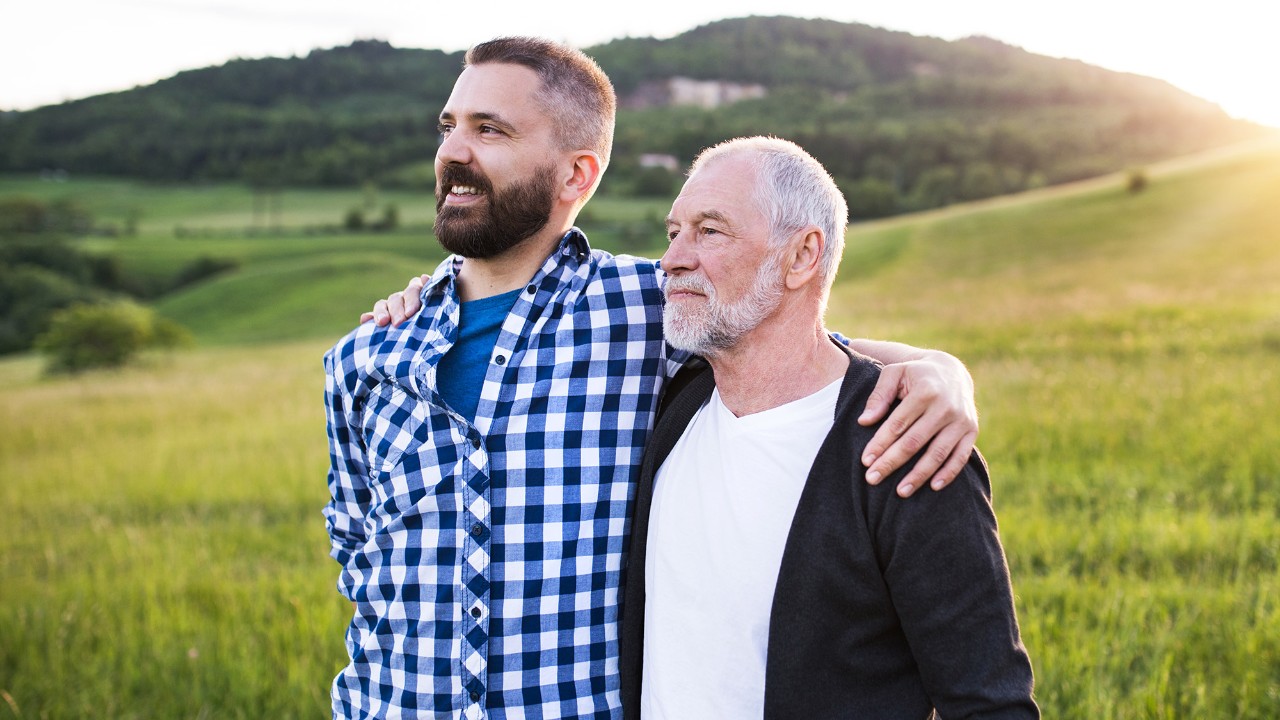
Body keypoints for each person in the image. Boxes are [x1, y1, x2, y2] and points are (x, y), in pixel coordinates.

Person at [326, 37, 981, 719]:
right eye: (449, 126)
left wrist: (942, 371)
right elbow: (359, 559)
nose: (454, 152)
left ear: (577, 176)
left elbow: (806, 351)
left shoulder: (649, 310)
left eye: (490, 130)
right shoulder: (364, 359)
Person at [618, 136, 1038, 719]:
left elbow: (989, 705)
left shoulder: (907, 446)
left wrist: (945, 371)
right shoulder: (673, 404)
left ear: (801, 257)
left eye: (709, 231)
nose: (672, 259)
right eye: (674, 232)